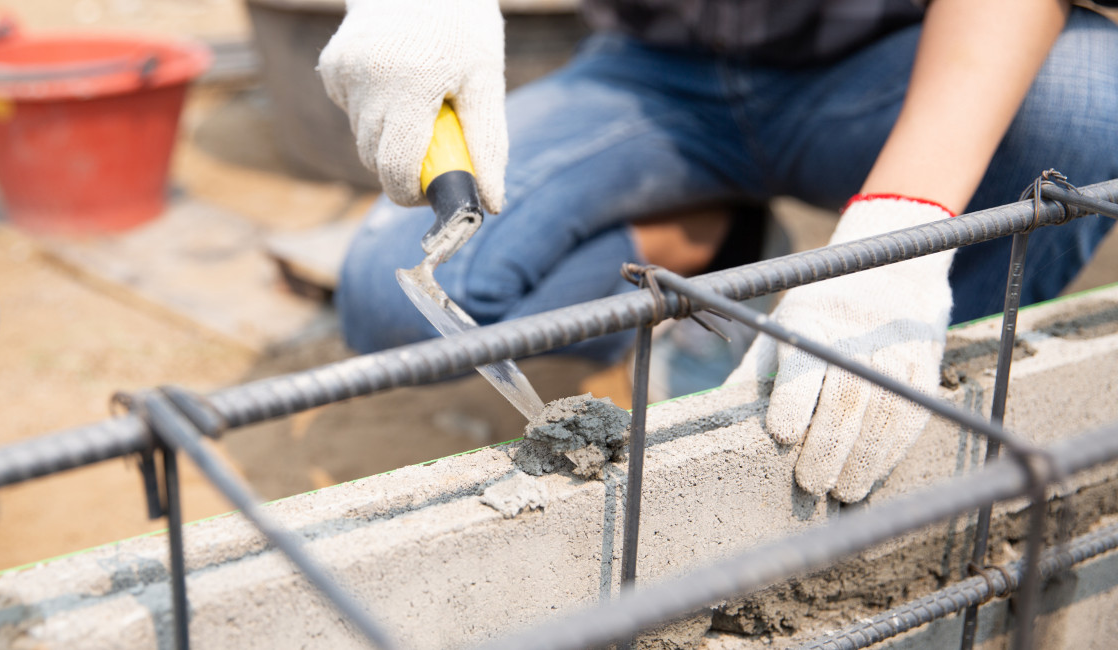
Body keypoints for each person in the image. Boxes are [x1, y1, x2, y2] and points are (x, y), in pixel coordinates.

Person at [316, 0, 1118, 502]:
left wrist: (899, 228)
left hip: (886, 63)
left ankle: (891, 426)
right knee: (390, 301)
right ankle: (717, 244)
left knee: (1094, 98)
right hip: (654, 76)